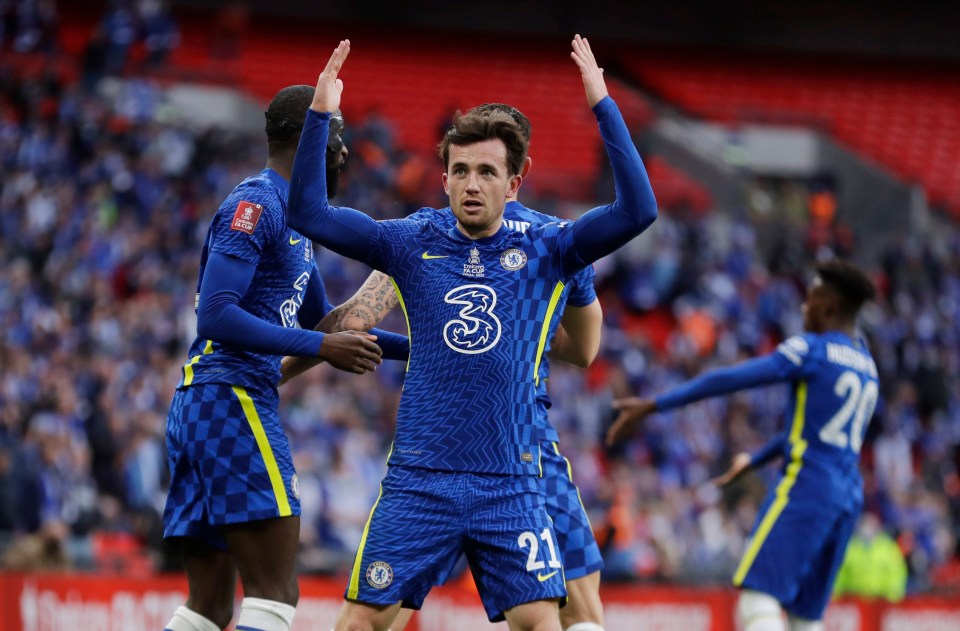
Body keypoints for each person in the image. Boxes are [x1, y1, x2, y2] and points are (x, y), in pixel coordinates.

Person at [287, 36, 656, 631]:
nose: (472, 184)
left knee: (546, 622)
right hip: (419, 480)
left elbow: (638, 211)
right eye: (460, 171)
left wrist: (602, 103)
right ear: (444, 178)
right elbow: (309, 214)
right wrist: (320, 114)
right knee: (358, 623)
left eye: (487, 172)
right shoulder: (411, 239)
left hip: (511, 482)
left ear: (516, 182)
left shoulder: (550, 247)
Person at [161, 84, 408, 631]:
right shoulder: (256, 204)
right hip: (231, 400)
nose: (344, 151)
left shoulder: (295, 221)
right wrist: (322, 346)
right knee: (274, 597)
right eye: (336, 137)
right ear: (306, 138)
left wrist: (426, 352)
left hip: (208, 407)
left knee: (208, 608)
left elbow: (333, 324)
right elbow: (217, 316)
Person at [607, 259, 879, 631]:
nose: (803, 307)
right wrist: (754, 460)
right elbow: (809, 434)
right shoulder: (866, 363)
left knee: (757, 601)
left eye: (811, 298)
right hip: (846, 498)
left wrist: (657, 404)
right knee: (805, 617)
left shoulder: (812, 350)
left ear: (828, 306)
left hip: (808, 487)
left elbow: (731, 378)